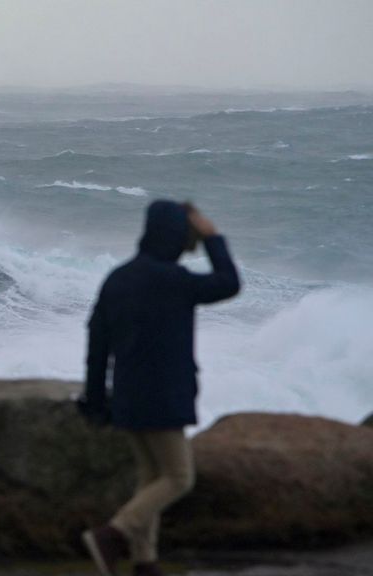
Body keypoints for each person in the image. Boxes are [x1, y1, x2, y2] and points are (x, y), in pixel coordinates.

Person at [79, 200, 240, 576]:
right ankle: (112, 533)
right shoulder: (175, 281)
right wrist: (213, 237)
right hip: (164, 397)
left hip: (127, 397)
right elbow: (229, 283)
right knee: (179, 477)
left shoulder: (117, 278)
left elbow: (96, 344)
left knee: (150, 478)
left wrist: (96, 398)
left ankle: (144, 562)